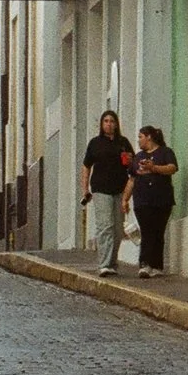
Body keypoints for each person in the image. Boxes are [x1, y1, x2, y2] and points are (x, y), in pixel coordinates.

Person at [79, 111, 133, 277]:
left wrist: (129, 160)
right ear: (102, 125)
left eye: (112, 121)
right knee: (105, 226)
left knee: (117, 229)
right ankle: (104, 264)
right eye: (106, 121)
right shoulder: (95, 143)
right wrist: (85, 189)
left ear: (116, 124)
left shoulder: (123, 143)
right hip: (100, 188)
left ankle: (112, 262)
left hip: (119, 189)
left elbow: (131, 165)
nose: (109, 124)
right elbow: (86, 166)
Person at [130, 125, 177, 278]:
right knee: (146, 229)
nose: (139, 140)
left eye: (140, 137)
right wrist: (125, 199)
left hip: (161, 198)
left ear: (149, 137)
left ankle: (157, 265)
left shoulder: (165, 152)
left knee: (158, 231)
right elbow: (132, 178)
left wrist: (154, 168)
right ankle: (145, 263)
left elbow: (172, 168)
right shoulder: (138, 157)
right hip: (142, 199)